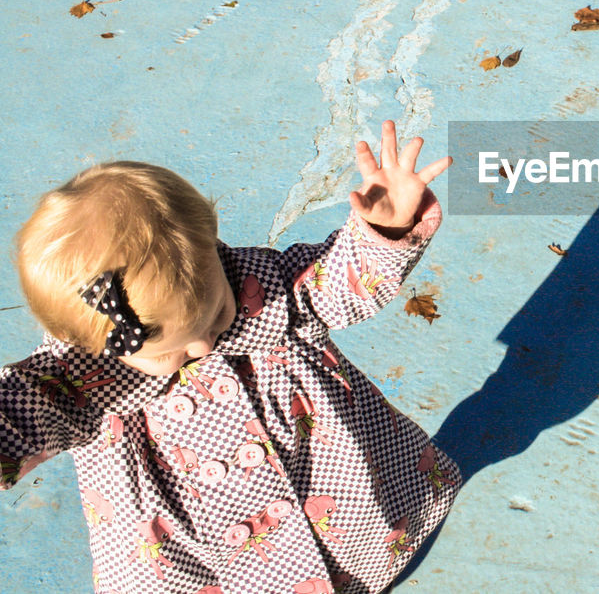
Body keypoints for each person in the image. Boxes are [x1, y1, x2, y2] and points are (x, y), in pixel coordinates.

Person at [1, 120, 458, 594]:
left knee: (350, 545)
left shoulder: (259, 285)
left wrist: (384, 227)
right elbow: (16, 413)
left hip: (320, 476)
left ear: (213, 247)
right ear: (84, 338)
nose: (204, 346)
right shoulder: (74, 378)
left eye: (218, 312)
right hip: (191, 548)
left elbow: (335, 281)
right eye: (171, 350)